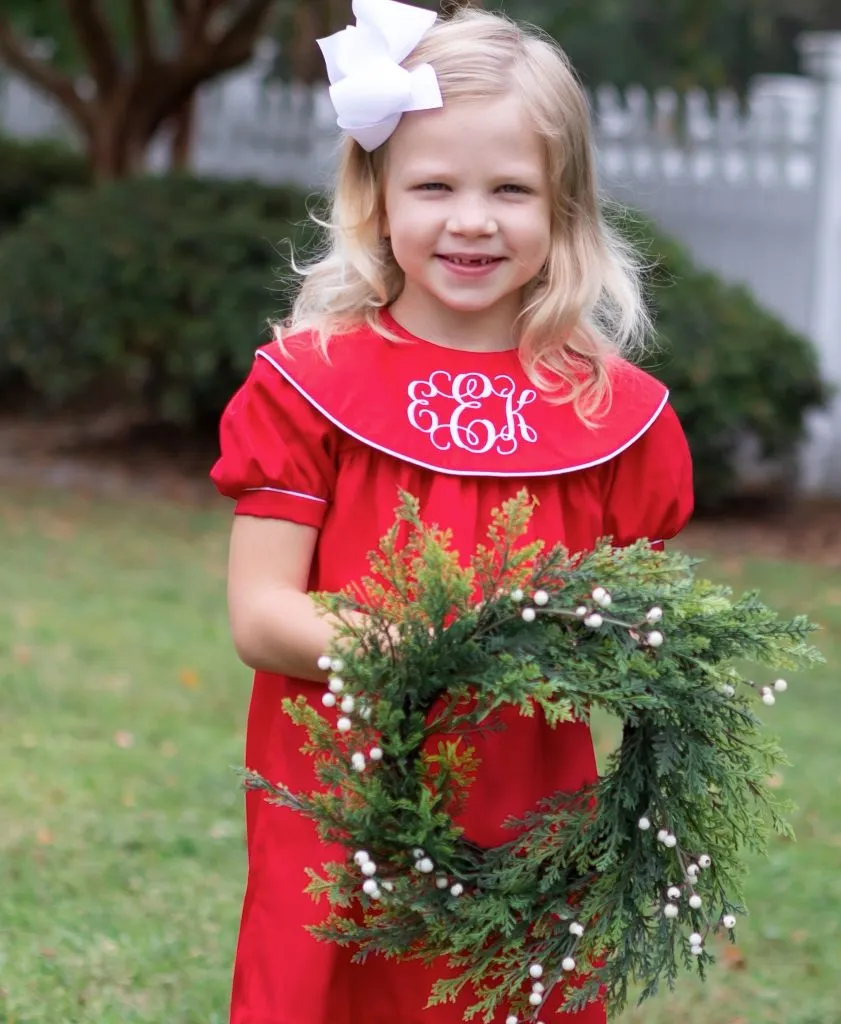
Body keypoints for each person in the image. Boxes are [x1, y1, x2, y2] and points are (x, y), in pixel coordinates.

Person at [211, 1, 694, 1021]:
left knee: (501, 989)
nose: (470, 220)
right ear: (375, 197)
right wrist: (431, 649)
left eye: (510, 190)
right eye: (434, 185)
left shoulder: (613, 417)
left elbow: (629, 628)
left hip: (527, 798)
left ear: (564, 211)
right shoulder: (309, 386)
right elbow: (262, 616)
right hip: (339, 785)